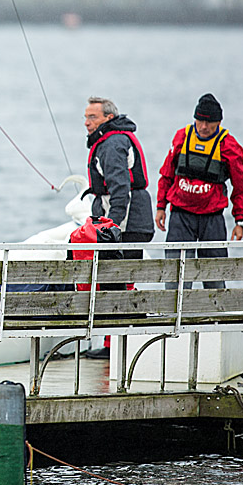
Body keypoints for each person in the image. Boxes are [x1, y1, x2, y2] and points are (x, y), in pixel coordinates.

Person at [82, 97, 155, 358]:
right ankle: (117, 344)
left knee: (115, 283)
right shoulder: (112, 139)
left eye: (93, 117)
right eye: (86, 117)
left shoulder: (112, 144)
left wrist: (110, 229)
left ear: (108, 119)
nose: (87, 122)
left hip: (127, 224)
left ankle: (119, 346)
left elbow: (120, 189)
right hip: (133, 221)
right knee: (118, 282)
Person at [155, 93, 243, 289]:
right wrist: (160, 206)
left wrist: (239, 220)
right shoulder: (182, 137)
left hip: (212, 218)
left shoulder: (229, 146)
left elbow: (241, 186)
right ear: (194, 119)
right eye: (200, 121)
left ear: (219, 122)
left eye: (210, 122)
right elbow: (166, 174)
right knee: (175, 275)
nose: (204, 127)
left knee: (214, 275)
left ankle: (216, 318)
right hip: (181, 215)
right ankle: (174, 317)